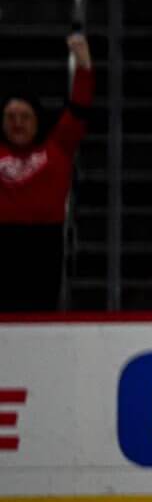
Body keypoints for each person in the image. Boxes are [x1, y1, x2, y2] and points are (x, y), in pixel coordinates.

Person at [0, 36, 93, 310]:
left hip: (44, 242)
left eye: (25, 117)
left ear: (37, 120)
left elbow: (79, 109)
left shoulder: (57, 147)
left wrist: (85, 66)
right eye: (11, 117)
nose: (18, 124)